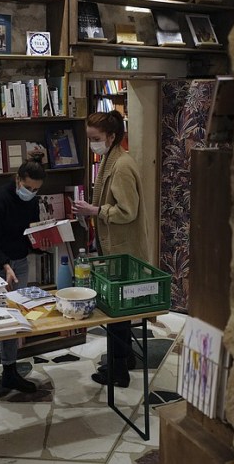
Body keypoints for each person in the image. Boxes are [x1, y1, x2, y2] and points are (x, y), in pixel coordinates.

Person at [72, 110, 150, 387]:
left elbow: (128, 211)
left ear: (112, 137)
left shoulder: (122, 165)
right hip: (114, 245)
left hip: (123, 249)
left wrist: (94, 210)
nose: (92, 143)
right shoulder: (109, 158)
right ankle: (124, 358)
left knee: (117, 311)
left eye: (96, 138)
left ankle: (119, 371)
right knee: (118, 310)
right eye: (89, 138)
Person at [0, 155, 45, 411]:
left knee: (14, 319)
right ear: (17, 179)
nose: (31, 193)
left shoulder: (32, 201)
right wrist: (5, 265)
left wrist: (41, 240)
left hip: (18, 261)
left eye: (36, 190)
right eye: (28, 188)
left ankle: (11, 372)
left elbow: (26, 234)